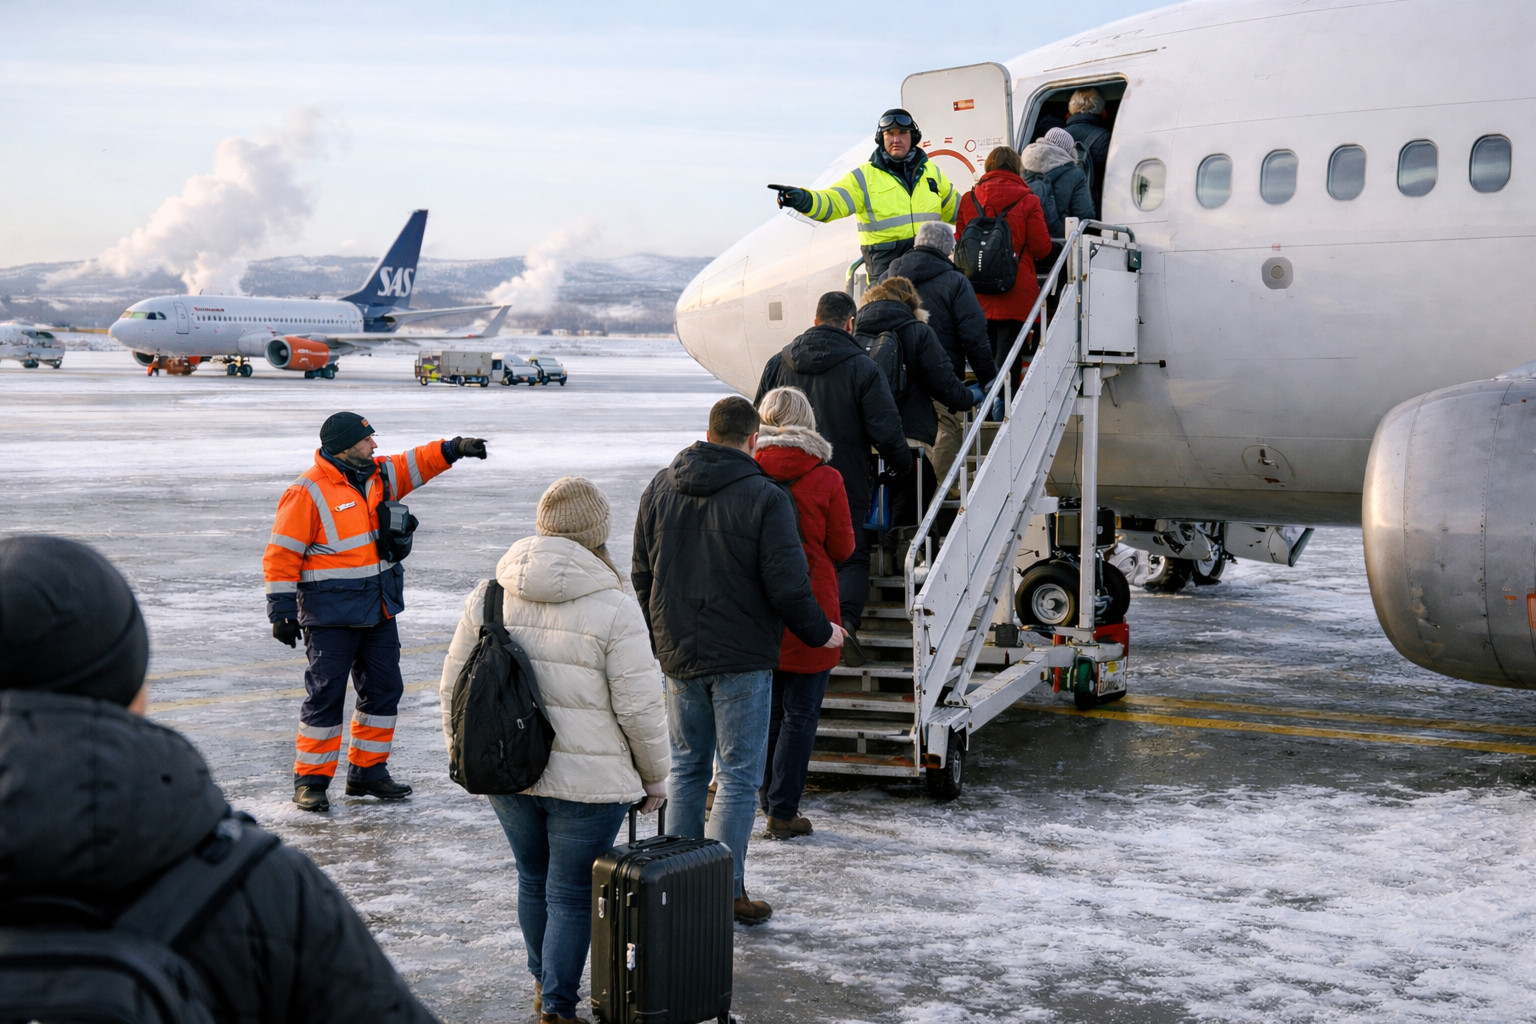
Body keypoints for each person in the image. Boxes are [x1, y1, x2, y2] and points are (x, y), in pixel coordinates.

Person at [0, 535, 439, 1024]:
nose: (375, 449)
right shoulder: (267, 890)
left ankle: (359, 773)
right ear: (134, 687)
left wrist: (447, 450)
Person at [438, 477, 669, 1024]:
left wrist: (462, 753)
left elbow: (454, 689)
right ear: (597, 534)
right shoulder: (614, 604)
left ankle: (546, 990)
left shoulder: (489, 593)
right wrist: (655, 776)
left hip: (507, 772)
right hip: (590, 784)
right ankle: (558, 1008)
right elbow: (639, 706)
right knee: (569, 894)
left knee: (532, 880)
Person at [631, 396, 845, 924]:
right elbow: (789, 586)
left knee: (685, 769)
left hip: (678, 654)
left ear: (708, 432)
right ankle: (724, 891)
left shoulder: (661, 485)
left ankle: (677, 885)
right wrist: (822, 634)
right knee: (738, 777)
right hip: (743, 658)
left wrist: (662, 632)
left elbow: (641, 572)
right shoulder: (764, 496)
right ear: (753, 440)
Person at [263, 411, 488, 813]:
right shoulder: (307, 492)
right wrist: (280, 611)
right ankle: (311, 781)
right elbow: (282, 554)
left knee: (384, 691)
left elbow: (416, 463)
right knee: (326, 697)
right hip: (330, 615)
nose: (374, 445)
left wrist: (454, 449)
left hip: (379, 608)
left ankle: (368, 771)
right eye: (367, 440)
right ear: (346, 446)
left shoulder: (379, 474)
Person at [755, 291, 912, 664]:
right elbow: (885, 429)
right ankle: (845, 628)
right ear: (850, 324)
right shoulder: (862, 367)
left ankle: (784, 634)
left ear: (814, 320)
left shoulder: (779, 361)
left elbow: (757, 415)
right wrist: (904, 467)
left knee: (783, 551)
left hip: (774, 476)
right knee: (851, 556)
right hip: (843, 477)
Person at [752, 387, 855, 839]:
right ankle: (783, 810)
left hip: (759, 607)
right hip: (814, 607)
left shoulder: (747, 473)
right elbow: (843, 547)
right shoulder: (827, 477)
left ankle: (763, 798)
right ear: (807, 423)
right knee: (801, 714)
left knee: (766, 711)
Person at [772, 109, 959, 282]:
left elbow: (958, 210)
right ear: (881, 138)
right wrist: (804, 200)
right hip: (887, 280)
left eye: (902, 133)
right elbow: (833, 202)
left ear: (913, 137)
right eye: (890, 134)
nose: (896, 139)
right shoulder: (863, 178)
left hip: (929, 274)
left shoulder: (932, 173)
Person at [888, 221, 999, 483]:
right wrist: (987, 377)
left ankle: (909, 496)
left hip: (895, 370)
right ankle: (936, 493)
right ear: (947, 248)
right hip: (940, 369)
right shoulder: (955, 281)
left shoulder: (890, 277)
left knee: (904, 431)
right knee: (946, 426)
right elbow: (973, 335)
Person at [953, 147, 1053, 375]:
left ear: (988, 167)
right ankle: (1004, 409)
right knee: (1008, 364)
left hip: (976, 292)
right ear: (1016, 167)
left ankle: (986, 408)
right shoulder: (1029, 200)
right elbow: (1042, 248)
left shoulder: (969, 199)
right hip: (1015, 291)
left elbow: (960, 241)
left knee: (983, 362)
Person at [1021, 127, 1097, 240]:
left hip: (1028, 236)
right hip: (1059, 240)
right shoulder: (1076, 174)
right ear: (1067, 149)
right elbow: (1084, 214)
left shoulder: (1023, 165)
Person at [1064, 87, 1113, 213]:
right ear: (1102, 111)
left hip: (1062, 210)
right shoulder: (1105, 137)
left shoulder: (1055, 136)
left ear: (1071, 109)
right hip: (1090, 209)